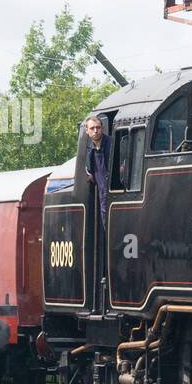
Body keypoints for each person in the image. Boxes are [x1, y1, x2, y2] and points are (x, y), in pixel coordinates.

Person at [83, 115, 110, 310]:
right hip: (102, 195)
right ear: (87, 131)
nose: (95, 131)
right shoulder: (90, 150)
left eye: (98, 128)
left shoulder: (111, 144)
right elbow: (90, 174)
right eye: (92, 128)